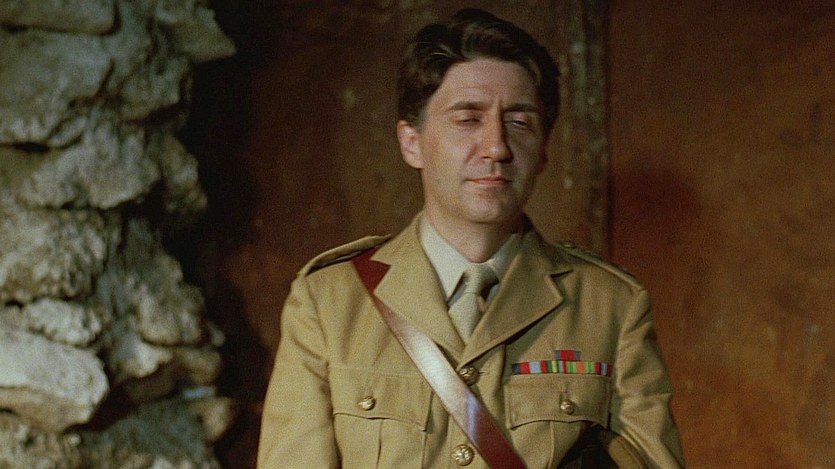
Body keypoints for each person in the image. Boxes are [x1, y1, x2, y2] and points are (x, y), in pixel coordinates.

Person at [257, 8, 684, 469]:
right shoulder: (329, 303)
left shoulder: (610, 307)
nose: (497, 147)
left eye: (519, 122)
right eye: (467, 119)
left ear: (543, 151)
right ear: (411, 143)